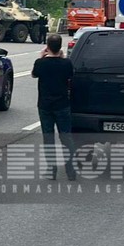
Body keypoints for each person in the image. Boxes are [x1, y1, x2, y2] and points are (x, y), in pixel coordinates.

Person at [31, 33, 76, 181]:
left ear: (47, 46)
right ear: (60, 47)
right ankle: (71, 171)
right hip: (62, 105)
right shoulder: (66, 63)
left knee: (48, 138)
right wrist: (62, 58)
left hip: (45, 106)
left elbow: (33, 75)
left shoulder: (40, 63)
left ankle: (51, 171)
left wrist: (42, 56)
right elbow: (70, 75)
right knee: (66, 137)